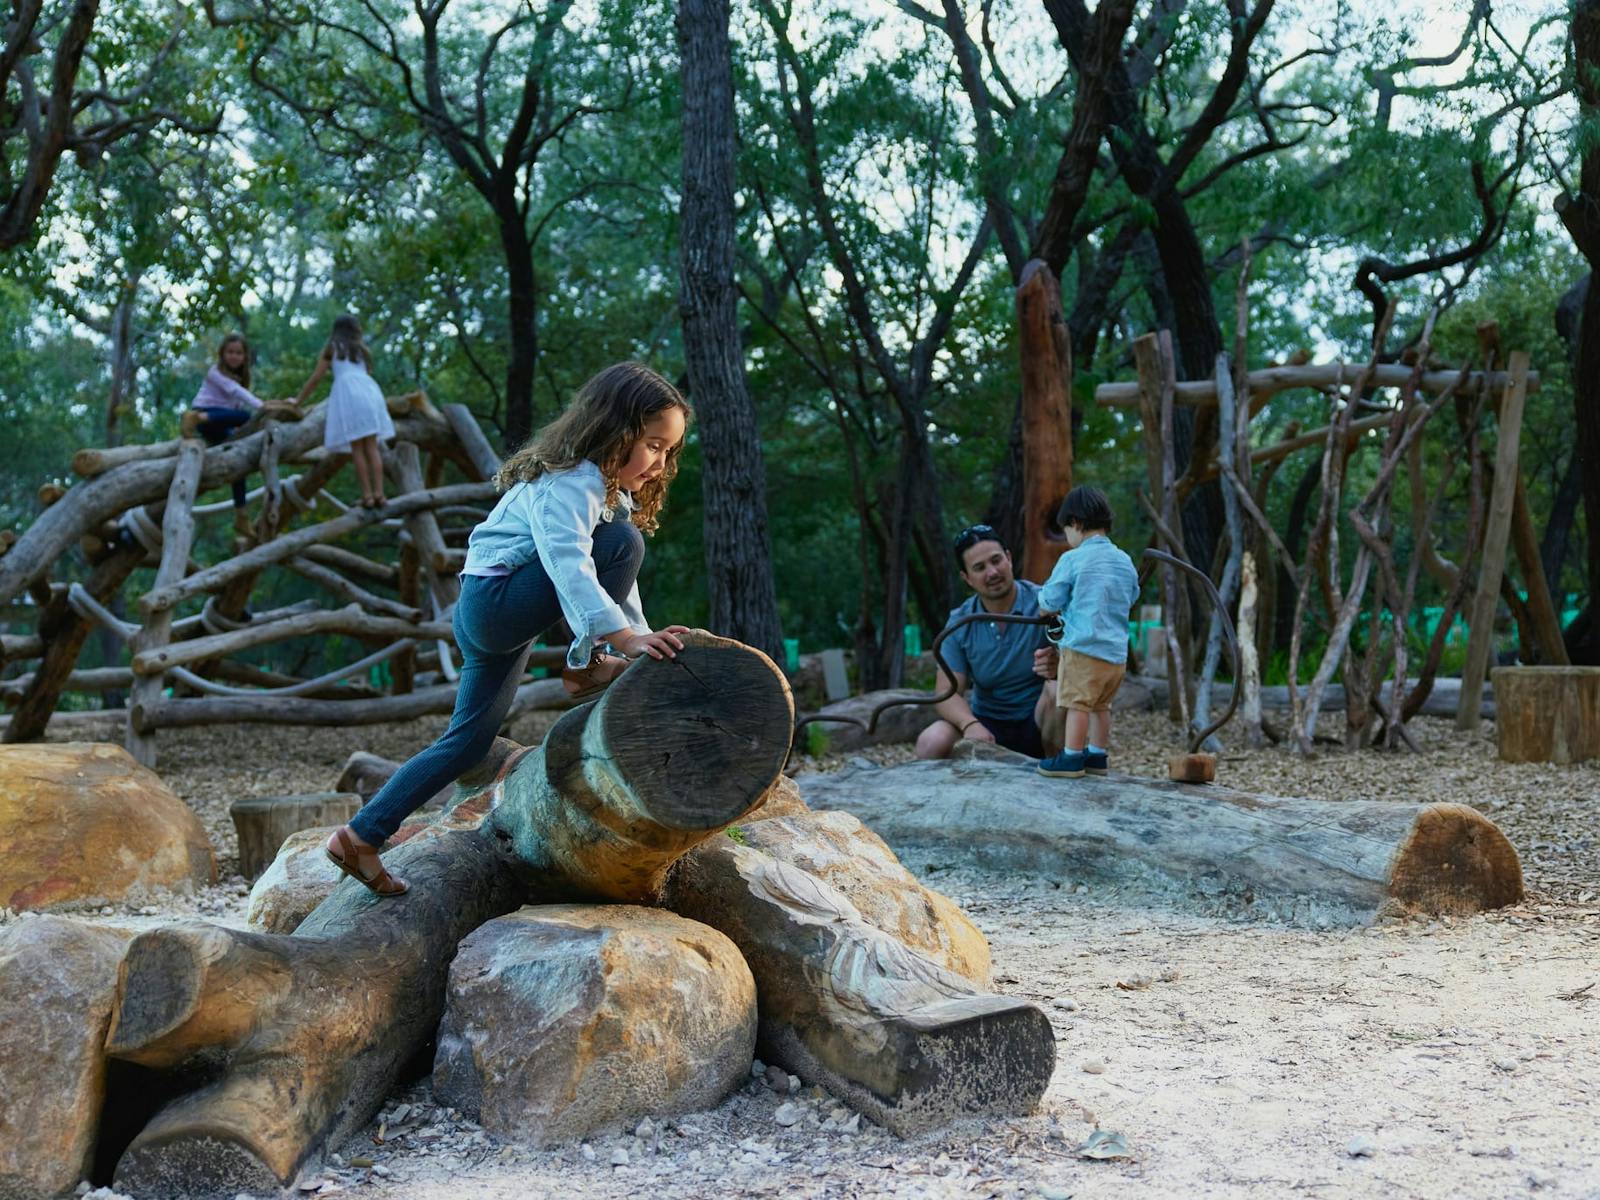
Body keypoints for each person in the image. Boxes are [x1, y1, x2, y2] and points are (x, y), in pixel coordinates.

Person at [324, 361, 693, 897]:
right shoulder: (571, 482)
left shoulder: (605, 493)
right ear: (618, 430)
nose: (660, 464)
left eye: (668, 452)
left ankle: (360, 837)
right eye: (655, 446)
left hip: (492, 614)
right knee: (623, 543)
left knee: (468, 744)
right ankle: (584, 667)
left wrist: (638, 637)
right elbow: (572, 564)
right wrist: (614, 643)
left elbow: (619, 581)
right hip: (495, 604)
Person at [915, 524, 1064, 760]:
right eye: (979, 567)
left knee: (1059, 690)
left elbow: (1084, 663)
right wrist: (969, 724)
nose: (992, 572)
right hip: (986, 729)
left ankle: (1058, 771)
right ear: (967, 578)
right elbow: (946, 692)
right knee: (931, 741)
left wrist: (1060, 666)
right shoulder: (960, 622)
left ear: (1009, 558)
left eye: (996, 560)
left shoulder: (1046, 602)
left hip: (1040, 722)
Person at [1035, 486, 1141, 779]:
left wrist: (1044, 606)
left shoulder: (1073, 559)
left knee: (1077, 704)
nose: (1067, 538)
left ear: (1076, 524)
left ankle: (1071, 757)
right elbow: (1132, 596)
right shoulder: (1124, 560)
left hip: (1083, 648)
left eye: (1066, 530)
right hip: (1116, 655)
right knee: (1101, 706)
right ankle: (1097, 755)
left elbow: (1050, 599)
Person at [294, 314, 396, 508]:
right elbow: (366, 374)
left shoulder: (333, 348)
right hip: (370, 393)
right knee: (372, 447)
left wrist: (298, 401)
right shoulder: (362, 351)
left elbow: (316, 378)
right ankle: (380, 494)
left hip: (349, 396)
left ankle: (367, 496)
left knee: (357, 448)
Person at [181, 333, 264, 533]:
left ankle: (241, 515)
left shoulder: (240, 378)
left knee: (238, 462)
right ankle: (194, 419)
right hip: (204, 416)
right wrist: (263, 407)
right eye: (230, 352)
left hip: (219, 424)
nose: (234, 356)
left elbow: (233, 406)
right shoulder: (215, 373)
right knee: (245, 416)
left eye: (238, 353)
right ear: (222, 354)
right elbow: (237, 394)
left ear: (245, 357)